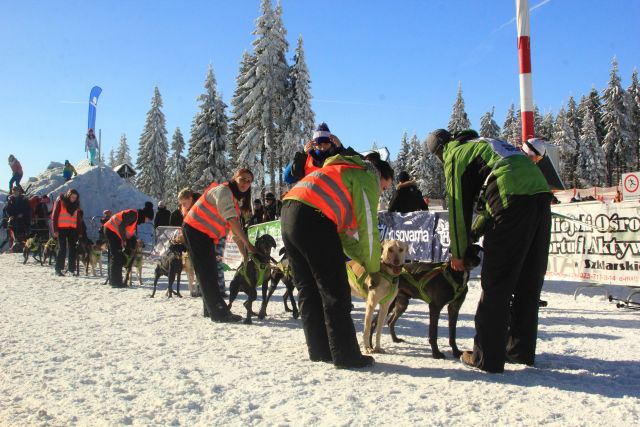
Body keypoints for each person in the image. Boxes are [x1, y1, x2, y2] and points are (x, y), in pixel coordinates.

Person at [426, 129, 551, 373]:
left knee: (497, 283)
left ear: (440, 151)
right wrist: (475, 232)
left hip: (511, 198)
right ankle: (520, 352)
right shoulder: (487, 145)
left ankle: (487, 357)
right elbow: (490, 202)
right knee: (528, 281)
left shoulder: (455, 155)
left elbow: (457, 209)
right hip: (540, 197)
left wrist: (458, 252)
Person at [281, 152, 394, 369]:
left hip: (289, 213)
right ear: (379, 174)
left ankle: (320, 349)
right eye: (384, 187)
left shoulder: (339, 172)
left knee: (309, 288)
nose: (382, 192)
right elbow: (368, 228)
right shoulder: (366, 175)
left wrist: (366, 261)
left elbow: (343, 237)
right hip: (314, 217)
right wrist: (373, 269)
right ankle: (346, 355)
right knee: (336, 290)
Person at [182, 168, 257, 323]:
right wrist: (249, 245)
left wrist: (244, 253)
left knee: (209, 271)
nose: (245, 183)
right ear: (234, 177)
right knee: (206, 272)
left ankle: (210, 310)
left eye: (249, 181)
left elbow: (234, 232)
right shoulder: (224, 191)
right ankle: (219, 313)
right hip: (195, 230)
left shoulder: (234, 201)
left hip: (205, 235)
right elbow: (232, 221)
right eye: (242, 179)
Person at [283, 122, 359, 184]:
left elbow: (363, 162)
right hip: (311, 199)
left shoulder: (339, 154)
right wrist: (303, 154)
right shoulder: (307, 158)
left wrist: (341, 148)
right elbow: (289, 178)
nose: (323, 147)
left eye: (326, 143)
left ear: (331, 142)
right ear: (314, 145)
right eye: (319, 144)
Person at [103, 204, 154, 287]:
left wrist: (128, 239)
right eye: (148, 219)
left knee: (115, 256)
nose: (147, 221)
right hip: (111, 231)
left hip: (111, 230)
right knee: (117, 256)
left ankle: (113, 281)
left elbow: (127, 232)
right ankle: (116, 282)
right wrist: (123, 240)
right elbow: (122, 226)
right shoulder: (133, 214)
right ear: (145, 215)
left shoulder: (135, 219)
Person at [51, 189, 81, 276]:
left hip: (72, 229)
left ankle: (71, 269)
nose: (73, 199)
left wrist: (80, 231)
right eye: (72, 197)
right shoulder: (61, 201)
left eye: (75, 198)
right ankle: (58, 269)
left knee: (73, 249)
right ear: (68, 195)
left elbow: (78, 218)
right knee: (62, 249)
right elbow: (55, 216)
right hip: (61, 229)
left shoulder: (76, 205)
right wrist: (55, 229)